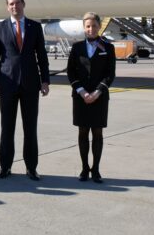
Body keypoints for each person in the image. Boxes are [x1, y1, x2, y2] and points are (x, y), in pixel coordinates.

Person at [0, 0, 49, 181]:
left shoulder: (35, 27)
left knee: (30, 127)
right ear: (7, 7)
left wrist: (45, 80)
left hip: (31, 84)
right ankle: (5, 166)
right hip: (7, 84)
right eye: (11, 4)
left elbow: (42, 56)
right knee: (7, 127)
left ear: (24, 4)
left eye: (18, 3)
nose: (15, 6)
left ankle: (31, 168)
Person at [67, 12, 116, 183]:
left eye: (94, 25)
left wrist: (98, 91)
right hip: (80, 97)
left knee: (97, 133)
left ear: (99, 27)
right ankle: (84, 168)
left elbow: (110, 74)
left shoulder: (108, 48)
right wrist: (81, 91)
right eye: (88, 26)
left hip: (99, 97)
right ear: (84, 28)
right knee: (82, 132)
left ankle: (95, 169)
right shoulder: (76, 47)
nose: (91, 29)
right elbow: (71, 71)